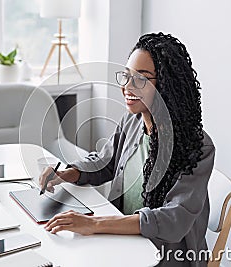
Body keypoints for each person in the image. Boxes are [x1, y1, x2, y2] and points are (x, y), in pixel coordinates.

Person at [39, 32, 215, 267]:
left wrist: (95, 224)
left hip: (167, 257)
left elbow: (175, 220)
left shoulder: (197, 146)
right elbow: (106, 162)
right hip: (126, 243)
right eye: (126, 76)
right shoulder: (132, 121)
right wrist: (67, 174)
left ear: (166, 84)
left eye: (141, 79)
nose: (127, 87)